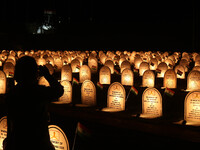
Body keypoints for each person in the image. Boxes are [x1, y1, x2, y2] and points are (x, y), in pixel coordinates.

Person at [4, 56, 64, 150]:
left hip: (17, 143)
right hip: (38, 143)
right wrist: (47, 75)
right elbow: (59, 90)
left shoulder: (12, 93)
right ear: (34, 73)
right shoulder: (39, 92)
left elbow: (10, 123)